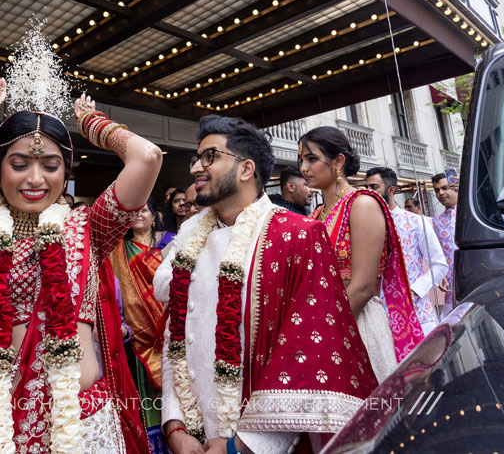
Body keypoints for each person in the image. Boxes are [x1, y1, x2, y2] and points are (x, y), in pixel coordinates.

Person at [0, 70, 161, 453]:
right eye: (18, 164)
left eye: (50, 165)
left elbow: (147, 157)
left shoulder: (90, 230)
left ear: (66, 176)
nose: (35, 178)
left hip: (79, 426)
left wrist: (93, 124)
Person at [154, 116, 378, 454]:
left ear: (246, 169)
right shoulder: (189, 238)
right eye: (197, 158)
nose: (196, 169)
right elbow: (176, 335)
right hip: (193, 438)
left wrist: (242, 447)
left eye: (210, 157)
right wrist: (174, 426)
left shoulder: (299, 235)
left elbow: (311, 354)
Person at [298, 126, 423, 382]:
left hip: (357, 323)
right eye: (301, 161)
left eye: (311, 159)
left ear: (338, 161)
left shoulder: (362, 204)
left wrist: (325, 333)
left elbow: (364, 287)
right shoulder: (315, 215)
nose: (303, 169)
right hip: (320, 325)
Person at [108, 198, 169, 453]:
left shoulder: (170, 242)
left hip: (167, 331)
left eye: (143, 210)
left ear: (154, 215)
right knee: (139, 389)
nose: (138, 215)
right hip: (135, 337)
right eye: (133, 211)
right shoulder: (117, 250)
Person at [364, 168, 448, 336]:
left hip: (418, 315)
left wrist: (414, 291)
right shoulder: (364, 226)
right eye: (366, 188)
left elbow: (439, 265)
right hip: (381, 321)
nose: (368, 193)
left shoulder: (416, 222)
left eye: (374, 187)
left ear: (391, 190)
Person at [431, 172, 459, 315]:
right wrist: (441, 275)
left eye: (445, 188)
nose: (440, 193)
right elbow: (437, 254)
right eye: (437, 190)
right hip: (452, 288)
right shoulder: (435, 222)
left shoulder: (473, 213)